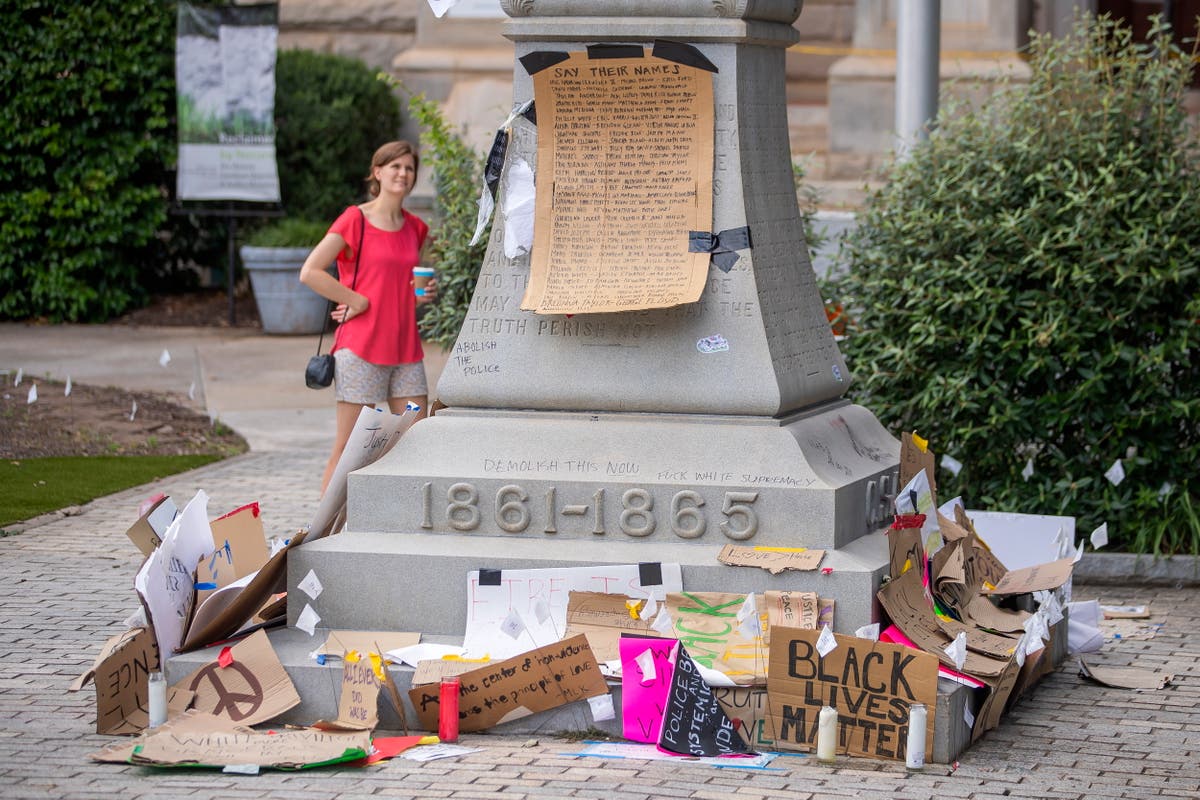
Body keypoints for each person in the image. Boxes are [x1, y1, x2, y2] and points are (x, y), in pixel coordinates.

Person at [299, 140, 437, 493]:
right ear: (377, 172)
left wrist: (422, 295)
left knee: (415, 441)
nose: (402, 174)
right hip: (361, 349)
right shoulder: (354, 219)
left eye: (409, 168)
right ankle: (323, 534)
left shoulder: (417, 228)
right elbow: (311, 271)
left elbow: (402, 286)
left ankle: (398, 522)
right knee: (349, 449)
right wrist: (354, 299)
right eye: (395, 166)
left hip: (406, 351)